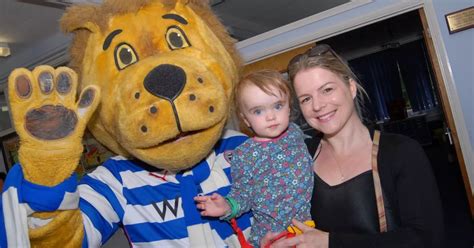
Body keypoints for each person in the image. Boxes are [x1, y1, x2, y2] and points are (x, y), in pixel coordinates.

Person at [262, 44, 444, 247]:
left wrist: (332, 243)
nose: (317, 106)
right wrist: (280, 238)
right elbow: (289, 220)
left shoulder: (401, 152)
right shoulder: (299, 158)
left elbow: (426, 239)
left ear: (351, 87)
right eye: (306, 99)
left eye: (327, 89)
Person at [194, 69, 313, 246]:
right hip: (271, 237)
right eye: (258, 111)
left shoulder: (295, 133)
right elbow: (243, 195)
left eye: (278, 106)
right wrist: (226, 206)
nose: (271, 116)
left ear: (289, 107)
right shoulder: (244, 154)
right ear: (246, 120)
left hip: (306, 229)